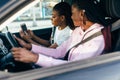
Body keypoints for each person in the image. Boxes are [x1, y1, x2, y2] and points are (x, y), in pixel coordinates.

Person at [12, 0, 106, 67]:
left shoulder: (98, 38)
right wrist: (30, 47)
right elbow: (59, 52)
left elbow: (75, 67)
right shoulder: (78, 31)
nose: (71, 17)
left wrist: (35, 58)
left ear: (81, 14)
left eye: (72, 13)